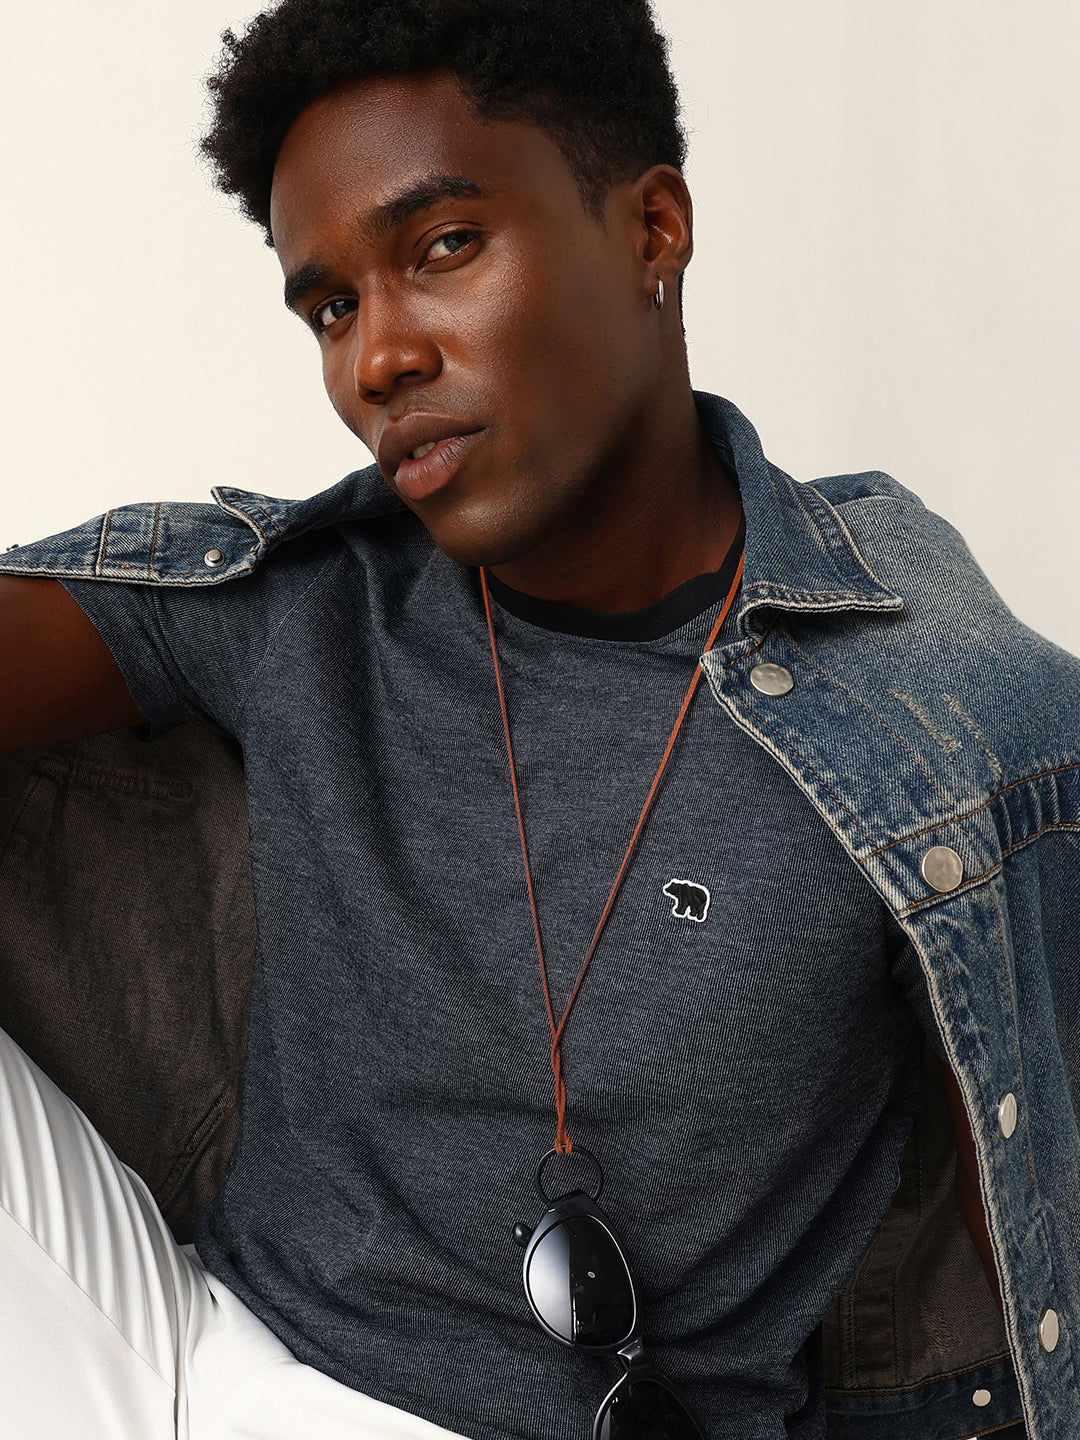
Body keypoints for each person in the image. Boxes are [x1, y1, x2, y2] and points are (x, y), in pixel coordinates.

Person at [0, 1, 1075, 1437]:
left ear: (653, 230)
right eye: (331, 307)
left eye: (444, 246)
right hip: (194, 1356)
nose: (378, 359)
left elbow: (1036, 1277)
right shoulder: (304, 608)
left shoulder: (933, 721)